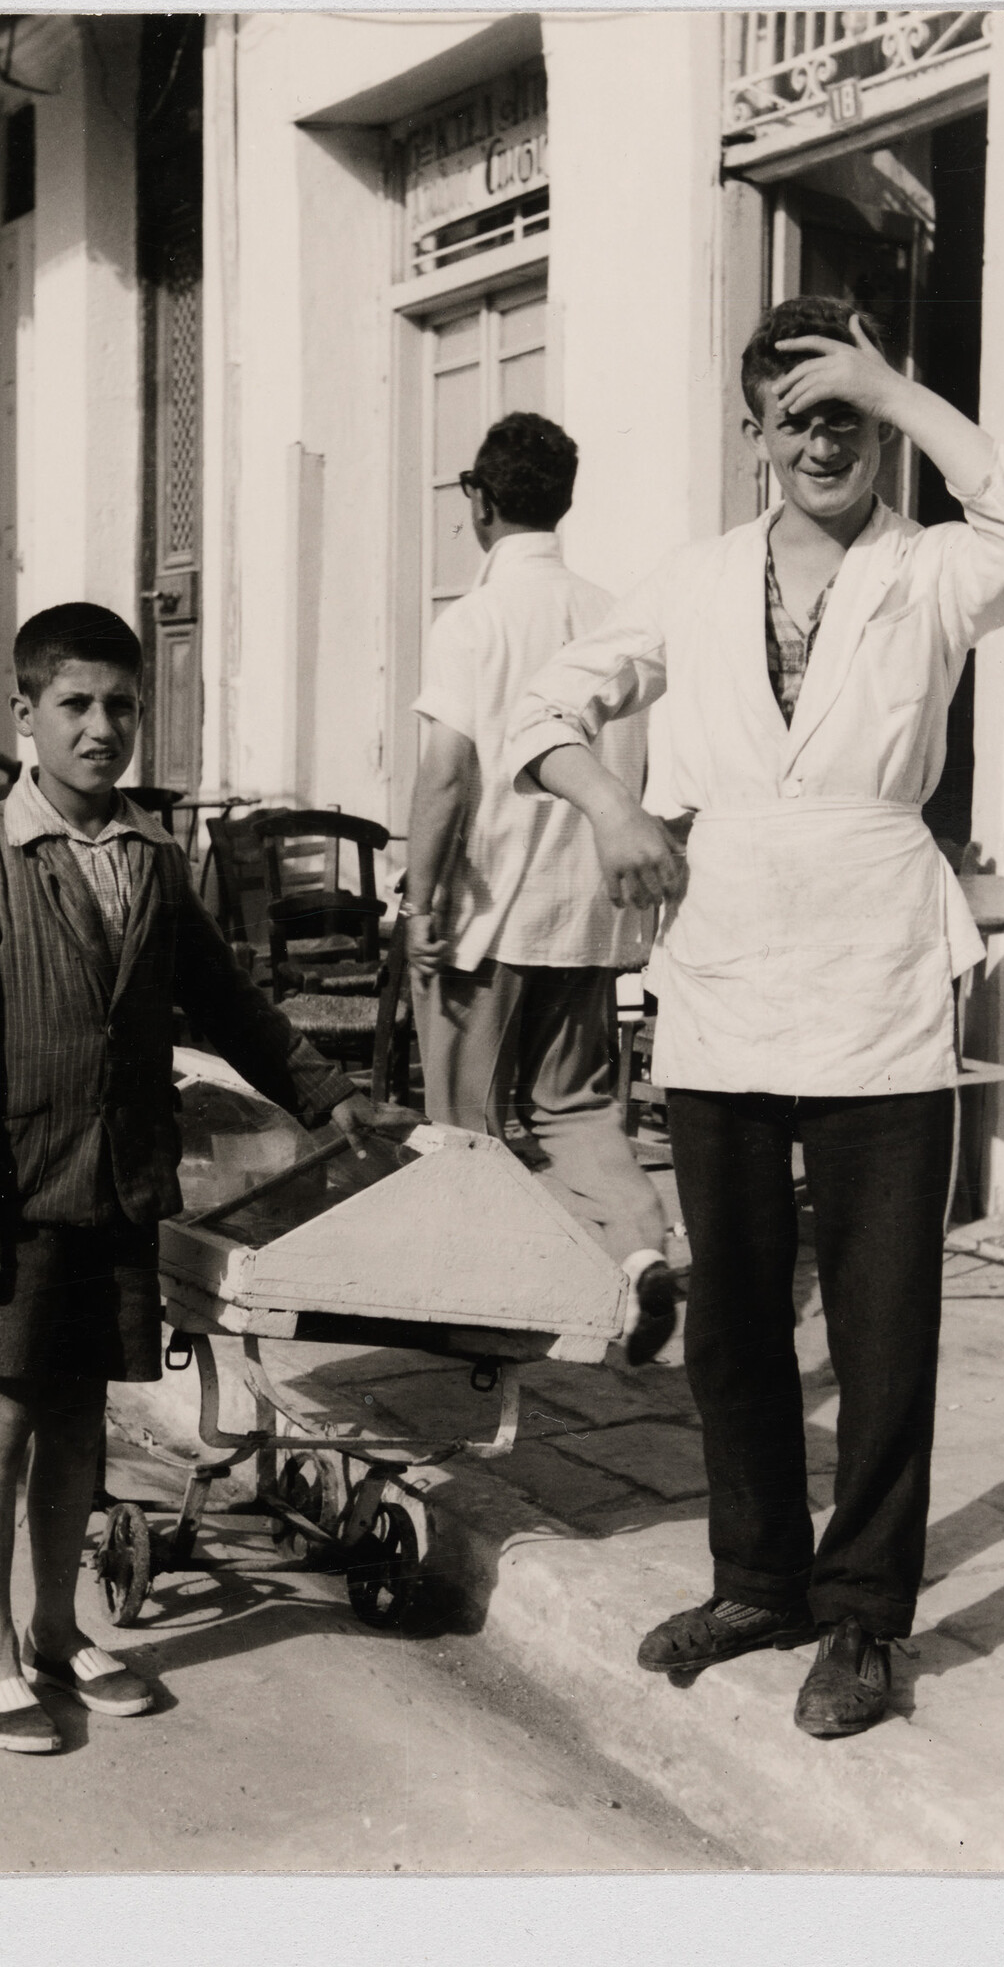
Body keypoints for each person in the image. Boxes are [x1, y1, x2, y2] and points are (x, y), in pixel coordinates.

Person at [506, 297, 1004, 1738]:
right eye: (798, 415)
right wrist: (617, 808)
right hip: (724, 963)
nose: (825, 440)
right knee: (736, 1309)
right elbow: (542, 718)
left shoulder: (932, 573)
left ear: (878, 427)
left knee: (882, 1313)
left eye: (849, 416)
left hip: (877, 966)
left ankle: (868, 1616)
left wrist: (899, 383)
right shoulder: (693, 586)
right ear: (754, 437)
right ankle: (759, 1577)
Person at [0, 602, 394, 1754]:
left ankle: (57, 1626)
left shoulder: (153, 858)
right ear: (25, 715)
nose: (101, 726)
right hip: (14, 1194)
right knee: (1, 1412)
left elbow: (227, 1001)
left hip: (121, 1186)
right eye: (74, 704)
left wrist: (328, 1091)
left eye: (122, 704)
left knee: (81, 1413)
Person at [401, 412, 678, 1358]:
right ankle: (641, 1252)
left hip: (490, 914)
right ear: (562, 501)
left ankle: (475, 1324)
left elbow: (445, 776)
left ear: (479, 502)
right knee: (577, 1111)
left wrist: (418, 901)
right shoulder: (613, 612)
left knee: (462, 1126)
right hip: (591, 918)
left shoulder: (472, 621)